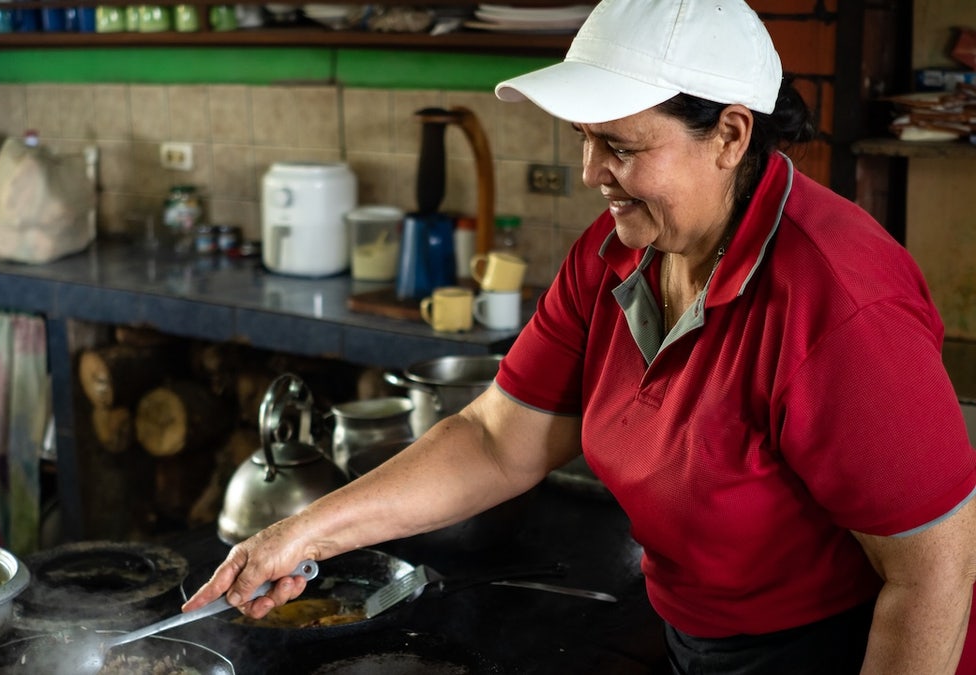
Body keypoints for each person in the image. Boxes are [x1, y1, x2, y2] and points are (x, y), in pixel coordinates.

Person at [184, 0, 976, 672]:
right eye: (585, 138)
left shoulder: (839, 302)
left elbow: (935, 576)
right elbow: (498, 438)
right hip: (692, 635)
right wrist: (298, 533)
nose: (591, 170)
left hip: (837, 650)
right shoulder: (616, 254)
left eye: (622, 146)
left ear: (731, 136)